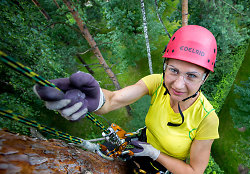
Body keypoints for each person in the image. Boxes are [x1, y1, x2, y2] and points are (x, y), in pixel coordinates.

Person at [34, 25, 219, 174]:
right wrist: (96, 99)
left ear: (205, 78)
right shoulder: (157, 83)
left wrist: (154, 154)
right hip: (139, 144)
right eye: (173, 70)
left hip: (165, 167)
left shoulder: (207, 119)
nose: (178, 85)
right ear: (165, 66)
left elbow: (194, 171)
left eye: (192, 76)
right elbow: (114, 99)